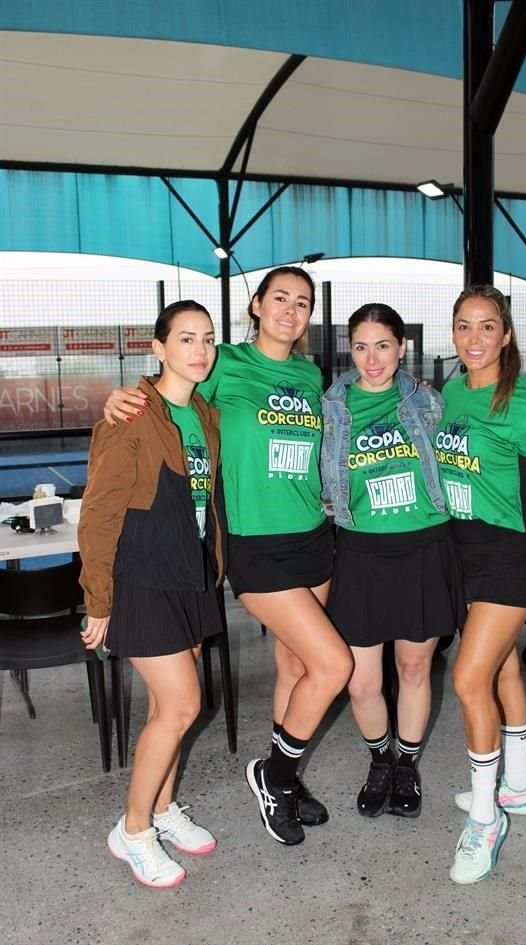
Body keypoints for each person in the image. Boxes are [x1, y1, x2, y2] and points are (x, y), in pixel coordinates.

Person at [103, 267, 353, 847]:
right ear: (257, 305)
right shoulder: (223, 363)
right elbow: (172, 395)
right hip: (254, 545)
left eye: (303, 303)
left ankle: (284, 782)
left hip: (313, 535)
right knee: (333, 665)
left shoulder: (310, 374)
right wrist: (124, 395)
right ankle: (273, 775)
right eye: (280, 299)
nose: (291, 311)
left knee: (297, 669)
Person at [79, 300, 225, 889]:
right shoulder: (133, 414)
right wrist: (98, 599)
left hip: (188, 573)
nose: (199, 349)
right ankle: (133, 830)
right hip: (142, 576)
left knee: (169, 709)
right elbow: (99, 512)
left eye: (208, 339)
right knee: (184, 706)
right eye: (185, 338)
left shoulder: (206, 416)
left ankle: (163, 809)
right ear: (158, 347)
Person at [434, 285, 526, 885]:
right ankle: (518, 785)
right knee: (502, 670)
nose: (473, 338)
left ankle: (487, 818)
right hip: (462, 549)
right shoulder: (450, 391)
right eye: (463, 326)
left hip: (509, 555)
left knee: (468, 679)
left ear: (507, 333)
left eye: (486, 326)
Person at [321, 304, 465, 819]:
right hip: (361, 552)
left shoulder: (428, 402)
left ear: (402, 346)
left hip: (425, 547)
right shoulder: (331, 406)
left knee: (412, 667)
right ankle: (379, 760)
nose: (371, 358)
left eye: (383, 345)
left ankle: (406, 765)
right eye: (360, 346)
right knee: (361, 680)